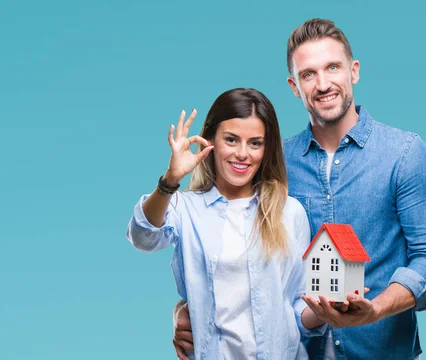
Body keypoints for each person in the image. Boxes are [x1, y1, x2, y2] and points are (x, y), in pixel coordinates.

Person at [173, 19, 426, 360]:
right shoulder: (274, 163)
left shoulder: (405, 154)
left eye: (332, 67)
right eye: (308, 74)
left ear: (354, 71)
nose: (323, 84)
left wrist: (375, 309)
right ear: (294, 85)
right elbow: (232, 246)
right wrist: (188, 309)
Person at [126, 88, 323, 359]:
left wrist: (328, 312)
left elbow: (298, 308)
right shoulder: (185, 208)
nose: (242, 154)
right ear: (210, 141)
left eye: (255, 143)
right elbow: (142, 236)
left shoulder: (290, 212)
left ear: (267, 149)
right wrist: (170, 180)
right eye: (231, 140)